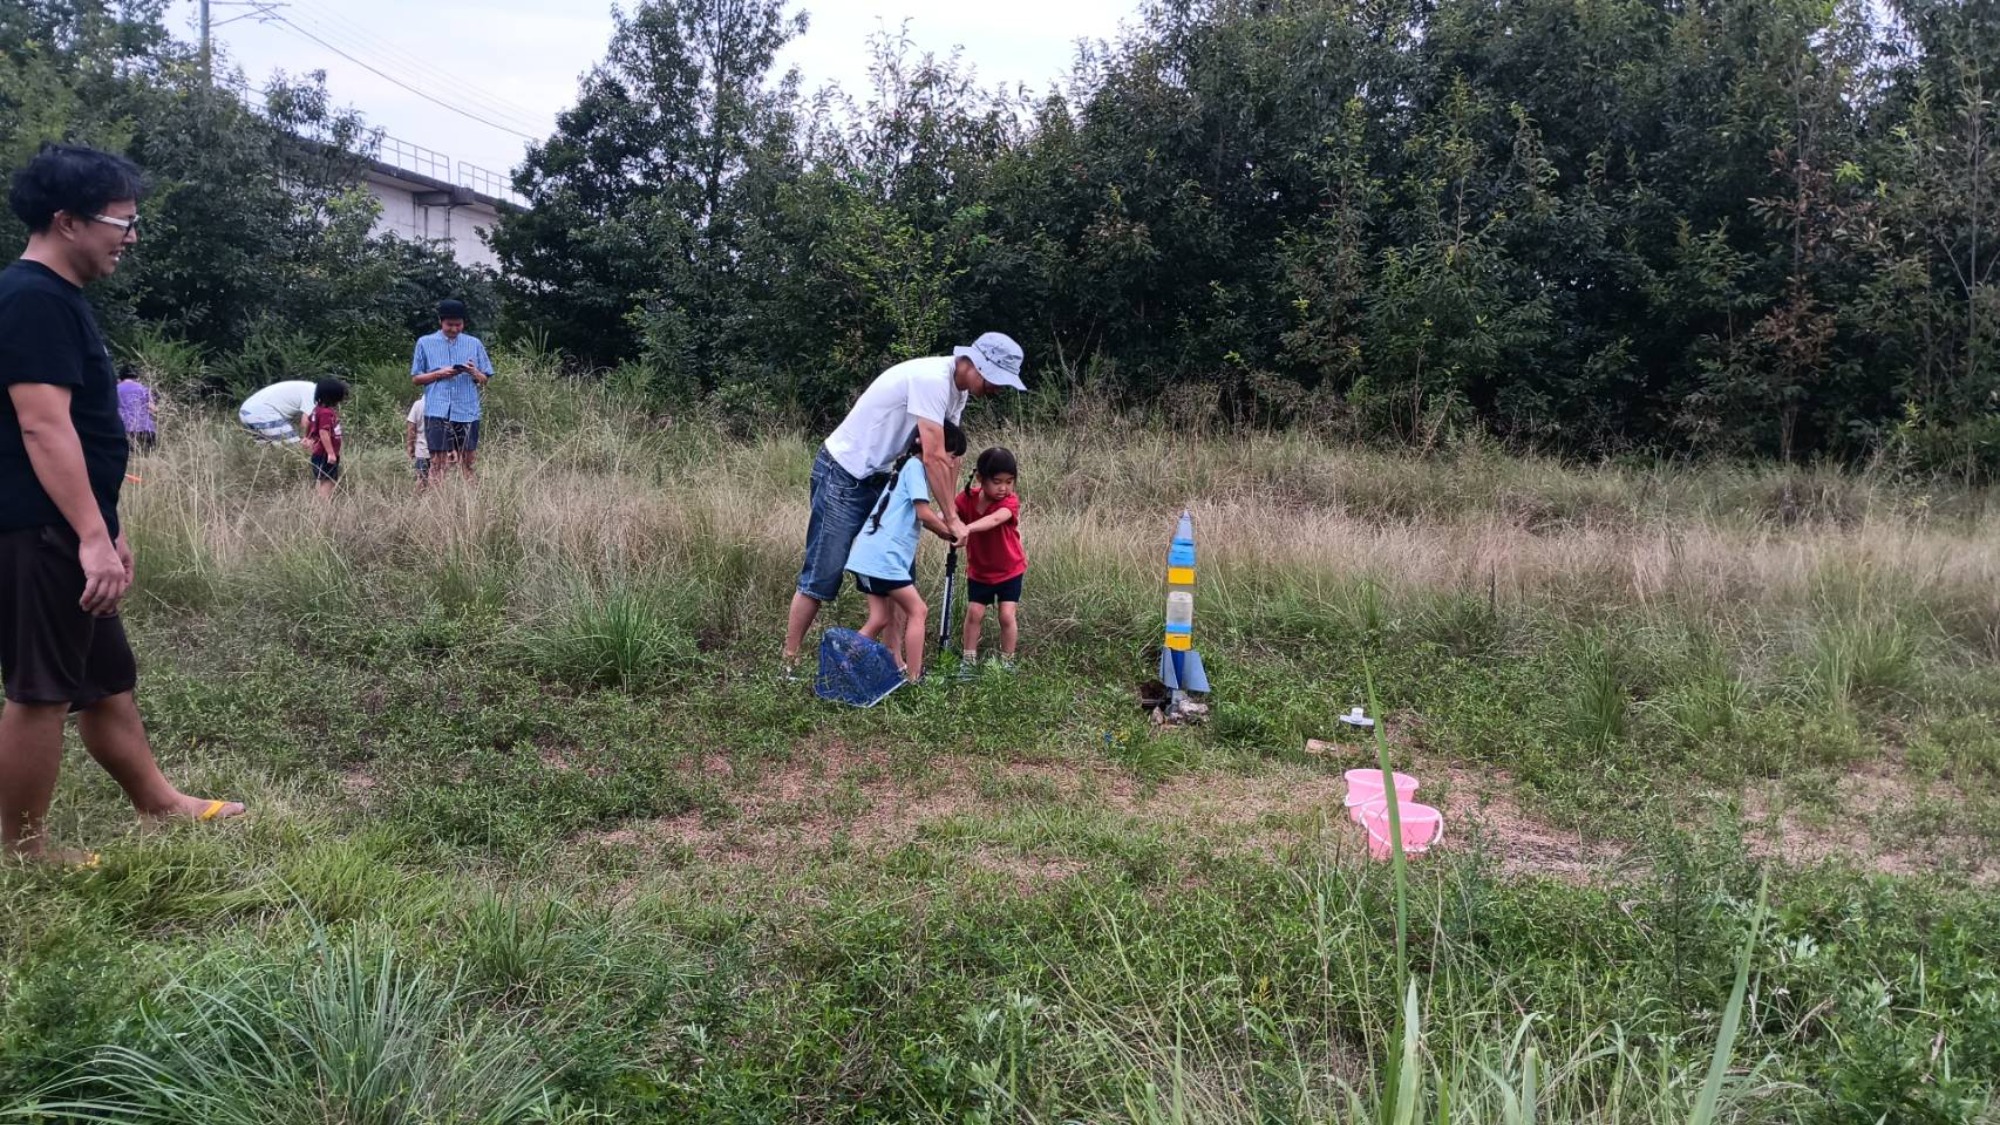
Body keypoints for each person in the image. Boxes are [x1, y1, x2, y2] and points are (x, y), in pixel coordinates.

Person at [0, 143, 242, 863]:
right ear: (68, 221)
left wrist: (107, 527)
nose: (130, 238)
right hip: (36, 528)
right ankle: (22, 851)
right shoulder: (32, 299)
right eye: (122, 222)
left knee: (104, 680)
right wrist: (87, 535)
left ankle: (159, 803)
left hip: (66, 526)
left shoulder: (53, 298)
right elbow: (43, 425)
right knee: (41, 690)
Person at [781, 332, 1027, 677]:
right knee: (823, 572)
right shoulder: (932, 379)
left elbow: (950, 457)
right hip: (843, 472)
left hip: (882, 478)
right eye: (996, 380)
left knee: (895, 570)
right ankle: (788, 664)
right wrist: (954, 520)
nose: (998, 389)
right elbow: (931, 454)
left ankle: (895, 663)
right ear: (977, 364)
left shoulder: (959, 392)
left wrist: (948, 513)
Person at [845, 422, 966, 684]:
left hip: (867, 556)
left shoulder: (908, 468)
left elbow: (936, 506)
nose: (951, 463)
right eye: (951, 456)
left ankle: (843, 665)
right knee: (918, 611)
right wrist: (948, 532)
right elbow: (924, 514)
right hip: (884, 559)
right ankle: (914, 677)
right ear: (934, 450)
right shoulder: (915, 468)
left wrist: (951, 479)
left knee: (879, 618)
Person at [953, 447, 1025, 675]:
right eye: (997, 482)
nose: (1004, 488)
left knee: (1006, 615)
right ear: (980, 478)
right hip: (980, 572)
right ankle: (968, 661)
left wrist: (966, 528)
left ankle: (1007, 661)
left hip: (1010, 570)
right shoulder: (966, 499)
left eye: (1009, 481)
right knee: (974, 613)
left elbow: (995, 519)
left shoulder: (1010, 502)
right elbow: (950, 514)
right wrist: (937, 520)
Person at [410, 298, 492, 482]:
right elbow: (416, 378)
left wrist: (473, 371)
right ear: (441, 321)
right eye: (450, 325)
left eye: (458, 325)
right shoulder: (425, 342)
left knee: (468, 461)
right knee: (438, 462)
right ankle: (437, 505)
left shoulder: (474, 343)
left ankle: (471, 504)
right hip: (437, 410)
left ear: (464, 323)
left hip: (467, 410)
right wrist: (439, 373)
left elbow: (485, 379)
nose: (454, 329)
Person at [238, 379, 315, 445]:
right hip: (262, 412)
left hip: (245, 411)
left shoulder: (307, 387)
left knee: (266, 449)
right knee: (293, 447)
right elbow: (306, 421)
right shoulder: (313, 392)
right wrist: (307, 439)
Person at [305, 378, 346, 498]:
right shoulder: (326, 413)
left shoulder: (317, 409)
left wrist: (306, 437)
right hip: (324, 455)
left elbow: (308, 422)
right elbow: (323, 432)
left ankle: (321, 503)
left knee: (322, 480)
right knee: (327, 481)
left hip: (318, 454)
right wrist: (331, 453)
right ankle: (324, 508)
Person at [116, 367, 156, 453]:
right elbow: (153, 409)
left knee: (132, 463)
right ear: (135, 377)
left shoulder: (115, 389)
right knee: (147, 462)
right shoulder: (143, 388)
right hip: (147, 429)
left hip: (126, 430)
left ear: (120, 377)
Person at [405, 396, 430, 490]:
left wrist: (410, 446)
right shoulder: (444, 404)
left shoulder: (418, 404)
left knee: (421, 480)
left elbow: (411, 428)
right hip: (439, 452)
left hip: (421, 451)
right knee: (437, 481)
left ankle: (418, 502)